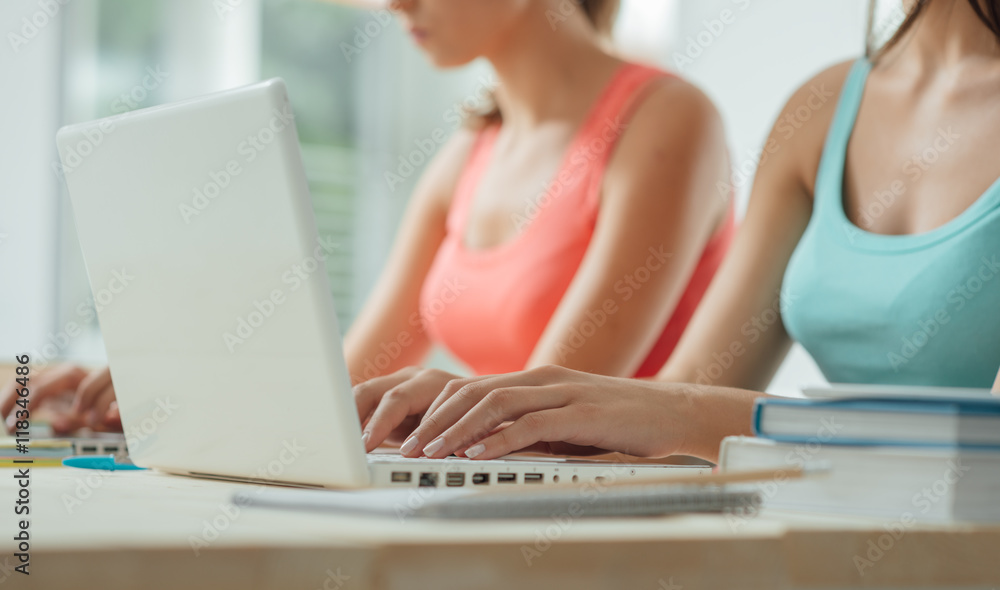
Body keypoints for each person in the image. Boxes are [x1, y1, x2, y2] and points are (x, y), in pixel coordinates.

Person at [2, 0, 736, 440]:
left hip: (609, 523)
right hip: (499, 500)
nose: (392, 3)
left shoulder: (668, 122)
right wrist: (155, 388)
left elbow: (547, 407)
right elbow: (344, 379)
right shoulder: (466, 154)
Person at [388, 0, 1000, 463]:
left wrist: (678, 412)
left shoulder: (668, 115)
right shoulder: (823, 106)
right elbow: (692, 390)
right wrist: (493, 407)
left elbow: (989, 445)